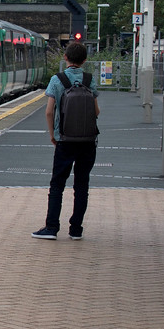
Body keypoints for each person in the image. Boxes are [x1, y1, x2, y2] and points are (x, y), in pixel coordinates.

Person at [32, 41, 100, 240]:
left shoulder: (57, 79)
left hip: (65, 140)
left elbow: (48, 111)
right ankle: (76, 230)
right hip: (87, 141)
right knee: (82, 185)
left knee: (57, 184)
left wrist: (53, 134)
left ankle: (51, 228)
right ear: (85, 60)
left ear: (65, 58)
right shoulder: (89, 79)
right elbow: (97, 111)